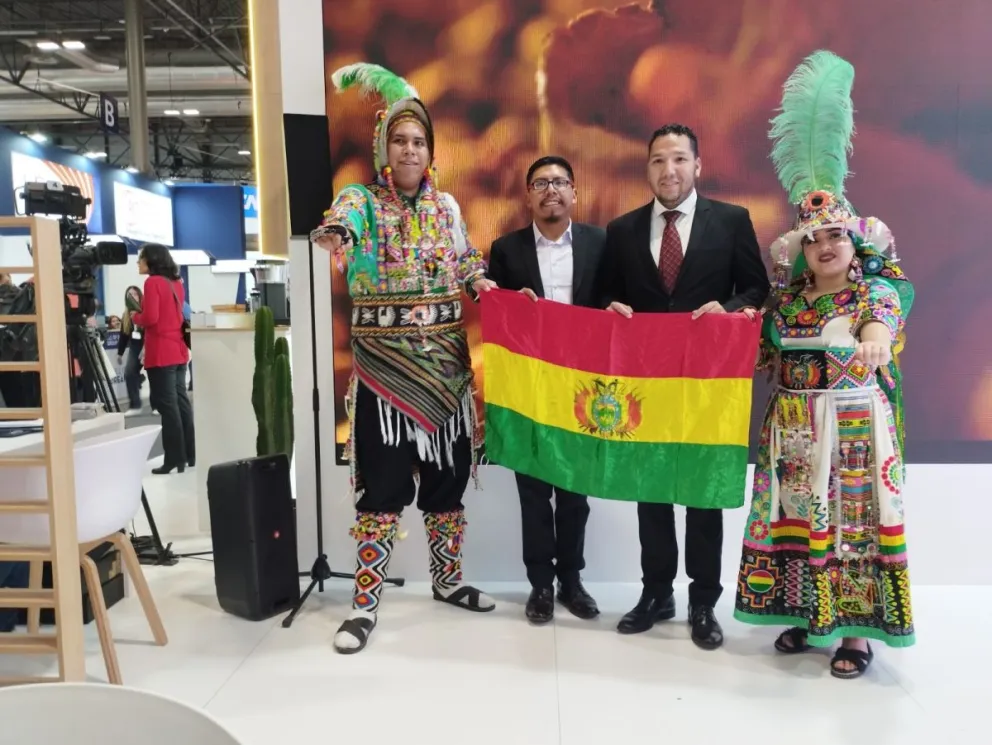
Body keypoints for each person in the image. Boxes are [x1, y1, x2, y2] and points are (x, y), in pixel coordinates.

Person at [734, 50, 915, 679]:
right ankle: (804, 615)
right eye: (814, 239)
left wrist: (871, 341)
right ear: (801, 249)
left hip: (852, 431)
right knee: (795, 516)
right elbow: (756, 354)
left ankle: (855, 637)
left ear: (854, 240)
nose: (826, 246)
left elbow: (880, 326)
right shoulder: (786, 301)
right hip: (790, 428)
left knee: (850, 527)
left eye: (836, 235)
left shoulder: (872, 291)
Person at [311, 62, 497, 654]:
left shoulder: (447, 208)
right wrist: (336, 234)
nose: (410, 149)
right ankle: (364, 604)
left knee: (446, 486)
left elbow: (467, 262)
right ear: (383, 148)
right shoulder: (360, 199)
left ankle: (447, 580)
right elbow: (343, 222)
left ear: (431, 150)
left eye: (419, 141)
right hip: (384, 376)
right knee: (383, 492)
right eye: (400, 140)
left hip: (446, 372)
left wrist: (484, 287)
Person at [599, 123, 770, 649]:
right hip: (646, 382)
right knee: (650, 491)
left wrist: (732, 309)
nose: (667, 171)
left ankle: (702, 601)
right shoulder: (622, 230)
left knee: (701, 494)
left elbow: (757, 287)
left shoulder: (733, 220)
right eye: (657, 161)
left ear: (697, 165)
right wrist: (611, 306)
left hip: (706, 383)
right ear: (646, 167)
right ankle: (655, 593)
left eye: (677, 160)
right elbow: (604, 294)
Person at [486, 155, 606, 624]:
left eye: (559, 182)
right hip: (529, 390)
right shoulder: (507, 249)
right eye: (540, 183)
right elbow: (492, 309)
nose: (550, 190)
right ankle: (539, 583)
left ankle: (572, 581)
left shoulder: (601, 242)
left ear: (574, 192)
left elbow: (613, 299)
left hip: (584, 387)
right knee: (533, 492)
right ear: (528, 196)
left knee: (576, 492)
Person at [131, 244, 195, 475]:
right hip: (178, 350)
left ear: (152, 261)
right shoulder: (175, 283)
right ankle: (190, 454)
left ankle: (173, 459)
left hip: (161, 352)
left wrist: (134, 316)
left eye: (141, 259)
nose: (138, 262)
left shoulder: (152, 282)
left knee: (168, 407)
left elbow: (151, 317)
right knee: (181, 403)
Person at [117, 286, 145, 412]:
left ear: (139, 296)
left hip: (148, 345)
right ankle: (135, 404)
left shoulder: (145, 310)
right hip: (135, 346)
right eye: (129, 294)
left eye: (135, 294)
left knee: (154, 375)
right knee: (129, 373)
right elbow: (123, 335)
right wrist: (120, 353)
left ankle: (157, 405)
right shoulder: (126, 315)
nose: (132, 296)